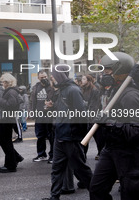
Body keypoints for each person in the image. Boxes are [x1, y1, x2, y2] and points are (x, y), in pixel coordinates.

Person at [89, 52, 139, 200]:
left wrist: (110, 123)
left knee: (131, 194)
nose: (103, 74)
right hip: (110, 149)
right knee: (97, 190)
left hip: (129, 154)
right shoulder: (113, 92)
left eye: (107, 71)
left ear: (120, 71)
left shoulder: (131, 96)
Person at [42, 65, 93, 200]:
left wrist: (79, 137)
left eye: (53, 75)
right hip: (60, 136)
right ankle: (54, 197)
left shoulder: (73, 90)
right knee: (57, 169)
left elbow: (81, 115)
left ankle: (98, 195)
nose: (51, 78)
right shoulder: (61, 90)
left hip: (71, 138)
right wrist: (53, 108)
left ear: (60, 75)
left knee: (81, 169)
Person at [0, 73, 24, 173]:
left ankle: (11, 164)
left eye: (3, 82)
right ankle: (14, 159)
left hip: (6, 119)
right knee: (5, 141)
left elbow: (11, 104)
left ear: (8, 82)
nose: (2, 84)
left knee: (5, 141)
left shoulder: (11, 91)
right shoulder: (12, 91)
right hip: (7, 118)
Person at [30, 70, 54, 163]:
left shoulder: (51, 87)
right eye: (42, 77)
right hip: (39, 116)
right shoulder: (36, 87)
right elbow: (32, 101)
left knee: (51, 136)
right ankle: (41, 154)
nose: (44, 79)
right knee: (40, 136)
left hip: (49, 115)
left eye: (45, 77)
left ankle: (52, 156)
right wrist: (31, 111)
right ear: (38, 78)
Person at [81, 74, 103, 159]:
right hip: (85, 117)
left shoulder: (94, 90)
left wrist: (91, 118)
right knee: (85, 137)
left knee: (98, 137)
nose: (82, 80)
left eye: (83, 79)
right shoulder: (82, 89)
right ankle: (83, 154)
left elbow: (94, 106)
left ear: (88, 81)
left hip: (92, 118)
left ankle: (100, 153)